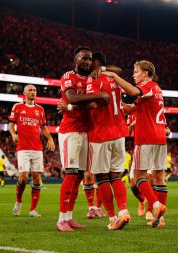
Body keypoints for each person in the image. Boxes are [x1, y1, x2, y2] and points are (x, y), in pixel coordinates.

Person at [103, 60, 167, 228]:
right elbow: (132, 109)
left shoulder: (148, 86)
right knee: (159, 178)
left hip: (146, 137)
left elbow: (131, 90)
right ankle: (159, 219)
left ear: (145, 73)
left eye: (136, 72)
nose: (133, 75)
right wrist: (115, 102)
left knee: (138, 177)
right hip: (160, 137)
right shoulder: (156, 89)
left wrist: (115, 77)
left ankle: (155, 205)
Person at [56, 46, 110, 232]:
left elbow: (91, 104)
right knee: (70, 174)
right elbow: (71, 98)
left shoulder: (91, 77)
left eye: (89, 59)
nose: (86, 61)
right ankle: (61, 220)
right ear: (75, 60)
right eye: (83, 58)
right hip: (70, 131)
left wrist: (101, 70)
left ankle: (69, 218)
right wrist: (99, 95)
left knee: (79, 177)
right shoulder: (68, 76)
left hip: (87, 131)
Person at [86, 52, 131, 230]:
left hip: (101, 133)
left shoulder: (94, 79)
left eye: (90, 63)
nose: (88, 65)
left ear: (96, 64)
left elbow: (94, 102)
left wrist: (72, 105)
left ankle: (113, 218)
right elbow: (118, 71)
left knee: (101, 177)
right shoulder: (115, 78)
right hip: (119, 132)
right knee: (116, 176)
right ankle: (123, 211)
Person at [9, 84, 55, 218]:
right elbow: (11, 124)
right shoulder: (17, 107)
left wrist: (50, 138)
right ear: (24, 92)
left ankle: (33, 209)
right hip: (23, 147)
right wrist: (13, 134)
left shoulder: (40, 109)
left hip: (37, 148)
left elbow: (44, 127)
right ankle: (18, 202)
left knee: (37, 178)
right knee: (23, 177)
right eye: (30, 90)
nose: (33, 92)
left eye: (34, 90)